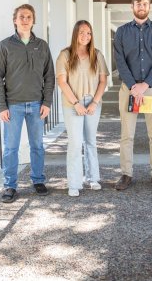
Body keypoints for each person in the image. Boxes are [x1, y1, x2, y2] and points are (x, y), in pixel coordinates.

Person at [0, 4, 55, 203]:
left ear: (33, 20)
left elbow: (50, 77)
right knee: (11, 148)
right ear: (15, 20)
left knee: (37, 146)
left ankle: (38, 180)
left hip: (37, 105)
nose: (25, 19)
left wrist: (47, 102)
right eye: (21, 16)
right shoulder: (5, 45)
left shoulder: (42, 45)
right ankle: (9, 186)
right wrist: (2, 106)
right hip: (13, 106)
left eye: (29, 16)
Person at [113, 0, 152, 190]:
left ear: (149, 6)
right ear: (132, 7)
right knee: (127, 135)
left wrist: (145, 85)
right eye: (138, 4)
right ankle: (126, 174)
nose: (141, 7)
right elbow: (120, 61)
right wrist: (133, 86)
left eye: (145, 3)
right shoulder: (121, 32)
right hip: (128, 89)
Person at [56, 20, 109, 197]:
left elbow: (103, 81)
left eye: (88, 32)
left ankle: (93, 178)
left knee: (91, 141)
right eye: (81, 32)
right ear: (75, 34)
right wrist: (76, 103)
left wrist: (94, 102)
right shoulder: (65, 55)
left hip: (93, 102)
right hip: (73, 103)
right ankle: (74, 183)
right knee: (75, 143)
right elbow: (62, 82)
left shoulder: (97, 55)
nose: (85, 36)